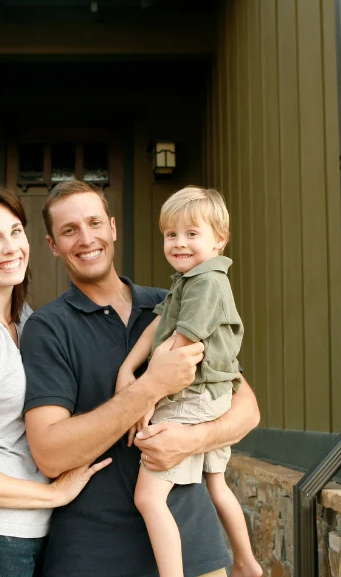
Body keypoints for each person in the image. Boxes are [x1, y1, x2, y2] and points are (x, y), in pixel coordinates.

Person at [20, 180, 261, 577]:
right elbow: (49, 453)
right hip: (94, 555)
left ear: (112, 229)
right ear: (52, 245)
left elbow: (246, 409)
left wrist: (191, 439)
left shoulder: (171, 302)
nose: (86, 239)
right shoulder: (49, 328)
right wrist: (148, 387)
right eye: (69, 230)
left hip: (194, 553)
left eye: (94, 223)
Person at [0, 184, 111, 577]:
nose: (11, 247)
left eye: (15, 231)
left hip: (23, 538)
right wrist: (51, 494)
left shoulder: (23, 321)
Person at [116, 186, 262, 577]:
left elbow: (183, 345)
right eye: (171, 234)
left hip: (193, 397)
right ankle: (248, 563)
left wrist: (146, 394)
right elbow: (158, 325)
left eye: (191, 234)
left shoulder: (208, 283)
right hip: (214, 395)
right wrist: (127, 369)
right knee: (216, 485)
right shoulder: (189, 279)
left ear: (220, 239)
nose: (179, 243)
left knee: (148, 498)